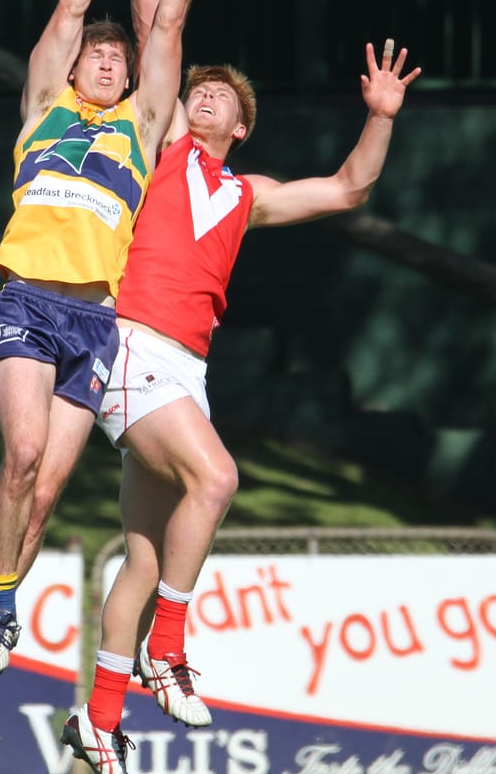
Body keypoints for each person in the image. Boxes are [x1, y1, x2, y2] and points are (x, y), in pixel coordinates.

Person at [62, 43, 422, 773]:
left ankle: (97, 722)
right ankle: (166, 649)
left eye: (222, 97)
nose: (206, 99)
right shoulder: (159, 152)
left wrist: (380, 117)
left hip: (186, 371)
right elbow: (154, 30)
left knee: (143, 557)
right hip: (131, 346)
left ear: (243, 127)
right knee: (217, 479)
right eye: (200, 91)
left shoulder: (243, 192)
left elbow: (349, 188)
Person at [0, 0, 207, 714]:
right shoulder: (43, 108)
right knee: (19, 459)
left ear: (128, 83)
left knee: (46, 491)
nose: (103, 63)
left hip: (95, 321)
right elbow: (65, 10)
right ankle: (4, 607)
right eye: (93, 55)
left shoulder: (143, 125)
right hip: (26, 301)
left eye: (113, 61)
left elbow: (166, 27)